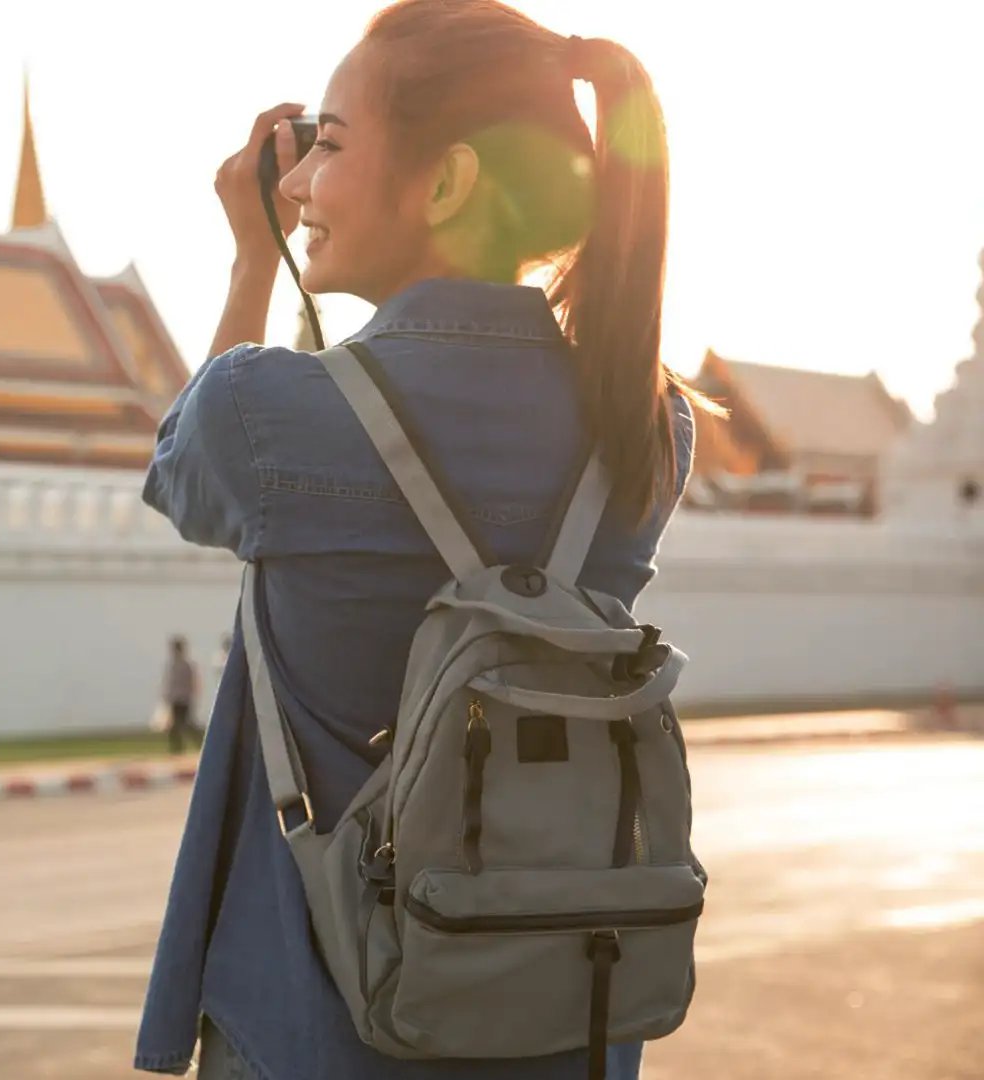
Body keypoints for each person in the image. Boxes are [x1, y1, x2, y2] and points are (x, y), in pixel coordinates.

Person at [133, 2, 714, 1079]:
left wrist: (251, 260)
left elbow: (177, 466)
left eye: (332, 146)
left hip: (321, 1029)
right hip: (563, 1027)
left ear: (447, 184)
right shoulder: (652, 430)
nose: (301, 183)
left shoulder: (265, 414)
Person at [161, 636, 203, 754]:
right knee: (175, 724)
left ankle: (200, 742)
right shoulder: (172, 664)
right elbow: (169, 681)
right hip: (175, 698)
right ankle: (176, 749)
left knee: (186, 723)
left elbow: (192, 681)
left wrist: (192, 694)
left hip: (184, 697)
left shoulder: (186, 664)